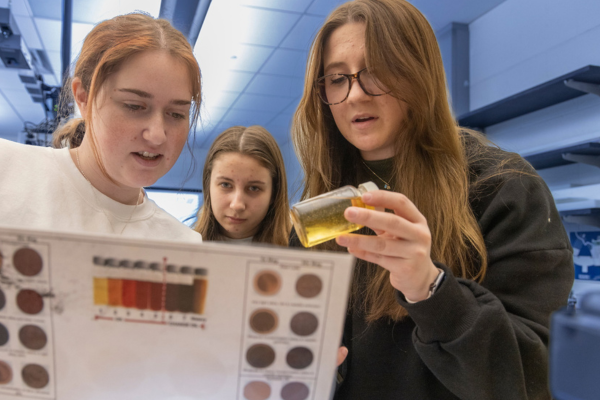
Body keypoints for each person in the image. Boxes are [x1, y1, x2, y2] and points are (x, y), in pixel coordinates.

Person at [291, 0, 574, 399]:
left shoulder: (503, 189)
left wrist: (430, 289)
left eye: (375, 72)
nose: (355, 95)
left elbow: (529, 378)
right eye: (337, 79)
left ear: (417, 74)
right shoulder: (324, 204)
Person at [0, 13, 202, 242]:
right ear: (83, 98)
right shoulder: (7, 169)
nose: (157, 135)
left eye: (176, 114)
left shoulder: (182, 243)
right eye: (134, 106)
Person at [194, 125, 290, 246]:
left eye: (254, 188)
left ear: (274, 194)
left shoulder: (302, 255)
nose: (237, 205)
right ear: (208, 187)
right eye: (225, 184)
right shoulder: (184, 248)